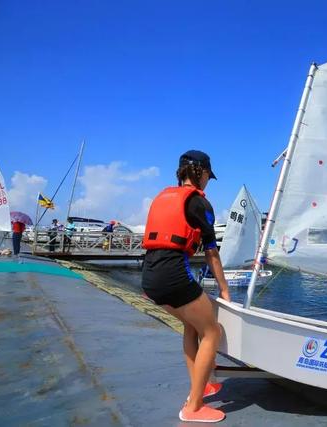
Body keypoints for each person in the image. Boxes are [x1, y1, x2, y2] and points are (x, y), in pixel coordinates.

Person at [141, 150, 230, 423]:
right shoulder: (200, 204)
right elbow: (212, 254)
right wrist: (225, 291)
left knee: (192, 326)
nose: (208, 182)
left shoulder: (163, 197)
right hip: (172, 274)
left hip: (149, 277)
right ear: (199, 172)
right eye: (207, 176)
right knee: (212, 331)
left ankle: (200, 385)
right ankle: (193, 407)